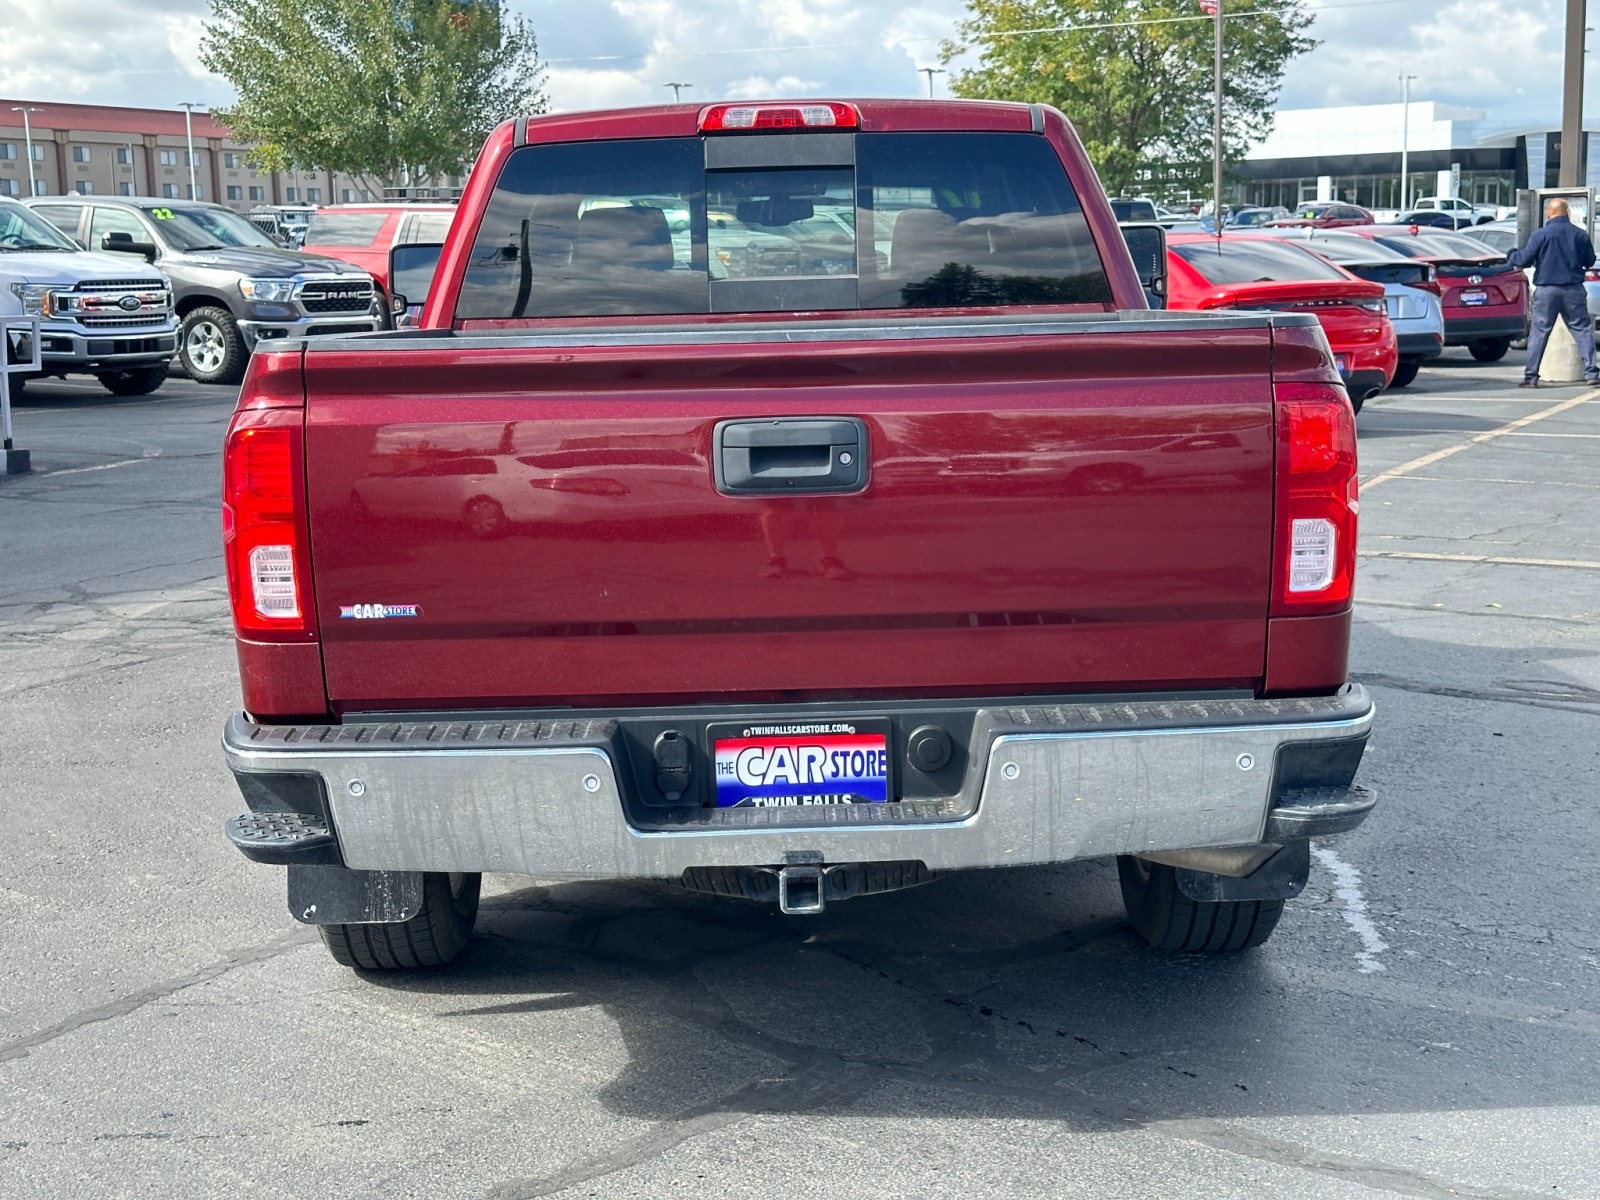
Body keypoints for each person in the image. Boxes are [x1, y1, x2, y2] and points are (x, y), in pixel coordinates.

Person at [1506, 197, 1599, 387]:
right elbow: (1590, 260)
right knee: (1582, 330)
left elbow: (1523, 259)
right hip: (1573, 289)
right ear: (1567, 213)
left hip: (1547, 290)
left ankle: (1531, 377)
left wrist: (1511, 254)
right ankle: (1592, 374)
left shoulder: (1541, 235)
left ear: (1549, 211)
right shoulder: (1579, 235)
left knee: (1539, 333)